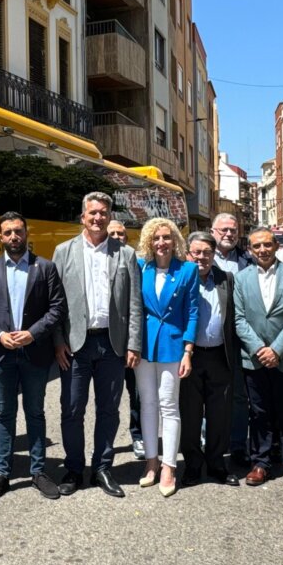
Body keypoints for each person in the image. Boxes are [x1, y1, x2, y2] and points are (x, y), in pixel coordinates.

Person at [53, 192, 143, 498]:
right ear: (83, 217)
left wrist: (133, 343)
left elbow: (134, 303)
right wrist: (57, 341)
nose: (98, 218)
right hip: (75, 345)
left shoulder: (125, 254)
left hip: (112, 343)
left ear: (109, 216)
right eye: (92, 213)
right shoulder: (63, 252)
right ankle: (74, 469)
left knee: (109, 410)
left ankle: (103, 468)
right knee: (72, 409)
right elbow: (55, 304)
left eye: (103, 213)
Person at [0, 212, 66, 501]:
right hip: (1, 354)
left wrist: (33, 333)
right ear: (0, 237)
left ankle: (38, 471)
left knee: (35, 413)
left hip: (34, 352)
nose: (14, 237)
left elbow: (57, 307)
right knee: (4, 414)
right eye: (8, 232)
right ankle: (3, 474)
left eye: (18, 231)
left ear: (26, 234)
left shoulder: (45, 267)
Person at [233, 226, 283, 491]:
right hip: (254, 358)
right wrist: (259, 348)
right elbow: (238, 318)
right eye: (256, 246)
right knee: (259, 413)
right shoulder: (241, 278)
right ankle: (260, 463)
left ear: (276, 245)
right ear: (250, 249)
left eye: (267, 244)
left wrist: (276, 349)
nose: (262, 250)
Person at [134, 217, 197, 498]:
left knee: (169, 406)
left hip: (173, 344)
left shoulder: (187, 270)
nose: (162, 243)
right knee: (147, 403)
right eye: (156, 238)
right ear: (149, 241)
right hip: (144, 344)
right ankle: (151, 461)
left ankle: (169, 466)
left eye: (167, 237)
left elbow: (193, 311)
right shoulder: (141, 268)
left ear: (175, 241)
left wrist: (188, 350)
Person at [179, 232, 240, 487]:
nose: (201, 257)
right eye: (196, 252)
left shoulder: (225, 279)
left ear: (214, 255)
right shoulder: (181, 278)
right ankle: (193, 465)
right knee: (190, 414)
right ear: (187, 254)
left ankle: (216, 464)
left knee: (219, 414)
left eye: (207, 252)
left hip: (219, 356)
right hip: (189, 358)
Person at [211, 212, 251, 467]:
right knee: (209, 394)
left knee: (238, 396)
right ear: (213, 231)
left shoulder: (248, 261)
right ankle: (211, 442)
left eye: (233, 230)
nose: (228, 234)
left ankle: (238, 445)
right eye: (223, 230)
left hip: (239, 337)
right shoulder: (199, 258)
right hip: (210, 338)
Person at [109, 221, 146, 461]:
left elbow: (138, 305)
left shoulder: (136, 262)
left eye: (120, 233)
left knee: (137, 394)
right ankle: (106, 442)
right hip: (109, 344)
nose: (115, 236)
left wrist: (136, 342)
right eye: (111, 233)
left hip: (131, 343)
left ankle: (138, 435)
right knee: (109, 398)